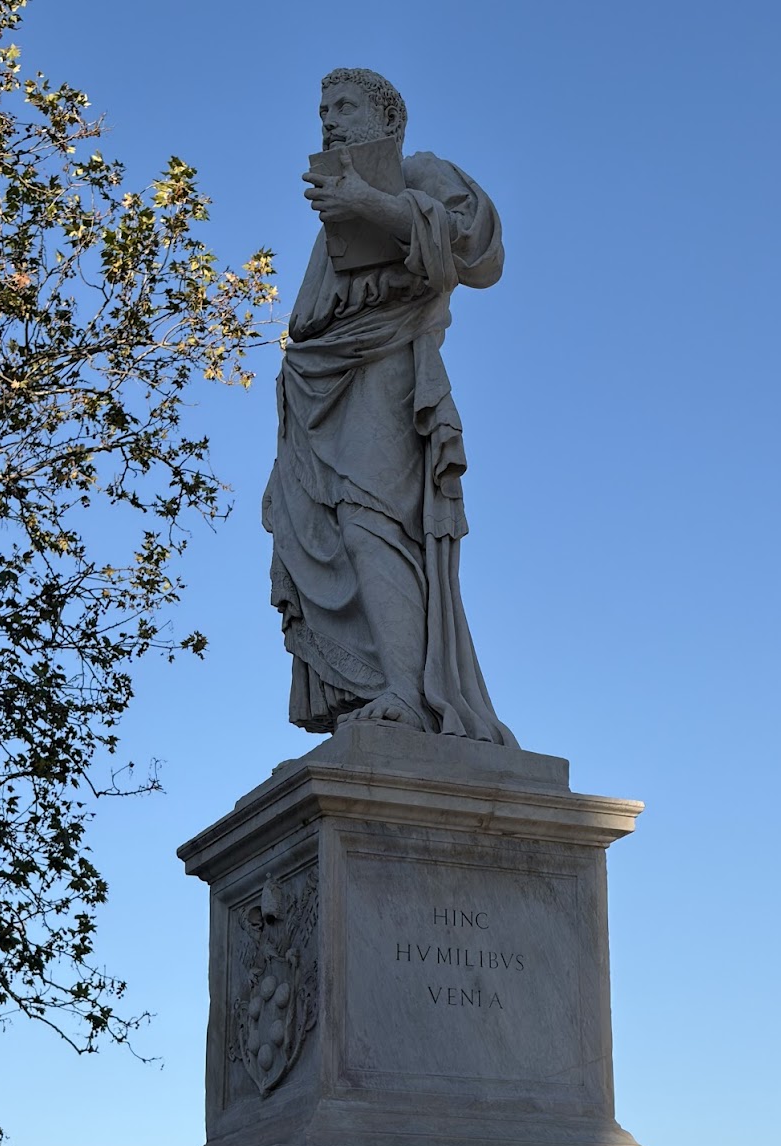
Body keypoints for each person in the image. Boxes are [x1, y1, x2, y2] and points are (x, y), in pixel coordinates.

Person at [262, 68, 516, 746]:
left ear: (388, 118)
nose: (328, 119)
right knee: (335, 532)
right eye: (323, 109)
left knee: (372, 520)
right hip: (319, 385)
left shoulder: (418, 171)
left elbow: (478, 252)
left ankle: (409, 690)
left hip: (385, 366)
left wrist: (370, 202)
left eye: (344, 105)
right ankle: (378, 685)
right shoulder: (336, 212)